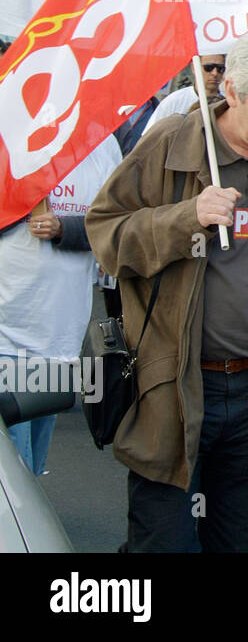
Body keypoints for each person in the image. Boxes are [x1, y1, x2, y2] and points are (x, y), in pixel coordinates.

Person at [85, 25, 248, 553]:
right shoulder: (170, 143)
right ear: (231, 91)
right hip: (174, 386)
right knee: (164, 544)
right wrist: (186, 217)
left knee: (236, 542)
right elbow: (106, 235)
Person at [0, 136, 121, 475]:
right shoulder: (9, 132)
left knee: (33, 466)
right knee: (14, 466)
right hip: (7, 329)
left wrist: (63, 228)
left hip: (58, 334)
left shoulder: (101, 144)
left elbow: (115, 222)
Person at [142, 54, 225, 134]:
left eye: (220, 68)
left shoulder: (230, 102)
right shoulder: (174, 101)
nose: (215, 73)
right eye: (209, 67)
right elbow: (151, 137)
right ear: (194, 68)